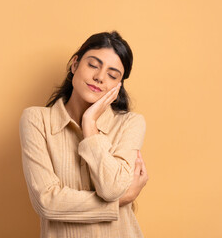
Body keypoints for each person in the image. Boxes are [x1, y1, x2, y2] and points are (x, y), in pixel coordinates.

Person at [19, 31, 149, 238]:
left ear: (118, 86)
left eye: (112, 75)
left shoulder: (130, 123)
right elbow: (46, 203)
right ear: (74, 64)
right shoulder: (36, 120)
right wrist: (119, 202)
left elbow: (111, 189)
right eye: (93, 65)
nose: (99, 77)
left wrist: (90, 125)